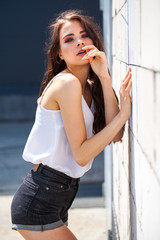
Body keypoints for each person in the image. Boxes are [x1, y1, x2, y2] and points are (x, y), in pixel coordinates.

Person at [11, 9, 132, 240]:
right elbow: (82, 155)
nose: (79, 42)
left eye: (84, 35)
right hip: (39, 200)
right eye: (69, 39)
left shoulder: (88, 85)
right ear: (59, 54)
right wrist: (122, 115)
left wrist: (104, 77)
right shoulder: (67, 83)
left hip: (57, 196)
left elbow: (115, 136)